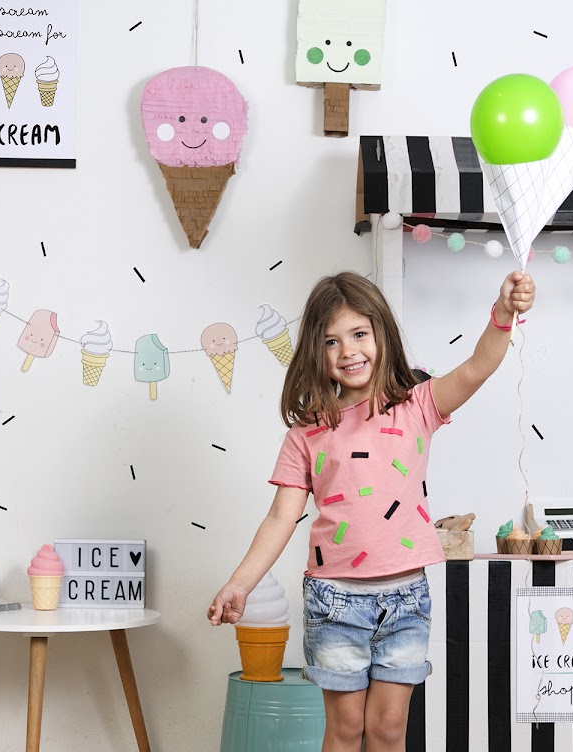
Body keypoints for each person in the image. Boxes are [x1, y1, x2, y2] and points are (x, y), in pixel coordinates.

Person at [209, 269, 535, 751]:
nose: (348, 350)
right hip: (335, 601)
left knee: (387, 729)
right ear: (315, 352)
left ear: (381, 334)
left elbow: (477, 367)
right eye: (331, 341)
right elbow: (281, 517)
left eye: (359, 334)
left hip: (406, 599)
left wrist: (503, 313)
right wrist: (240, 583)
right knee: (345, 730)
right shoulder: (307, 432)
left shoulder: (418, 405)